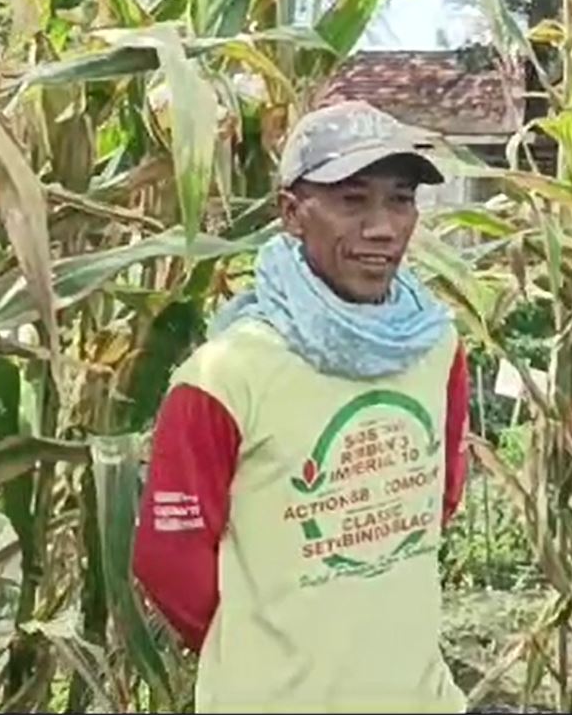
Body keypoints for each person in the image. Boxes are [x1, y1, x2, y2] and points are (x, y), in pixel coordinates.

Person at [133, 100, 472, 713]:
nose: (382, 227)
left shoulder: (434, 345)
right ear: (292, 213)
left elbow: (437, 497)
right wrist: (269, 653)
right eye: (351, 199)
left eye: (400, 199)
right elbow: (169, 562)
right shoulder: (225, 375)